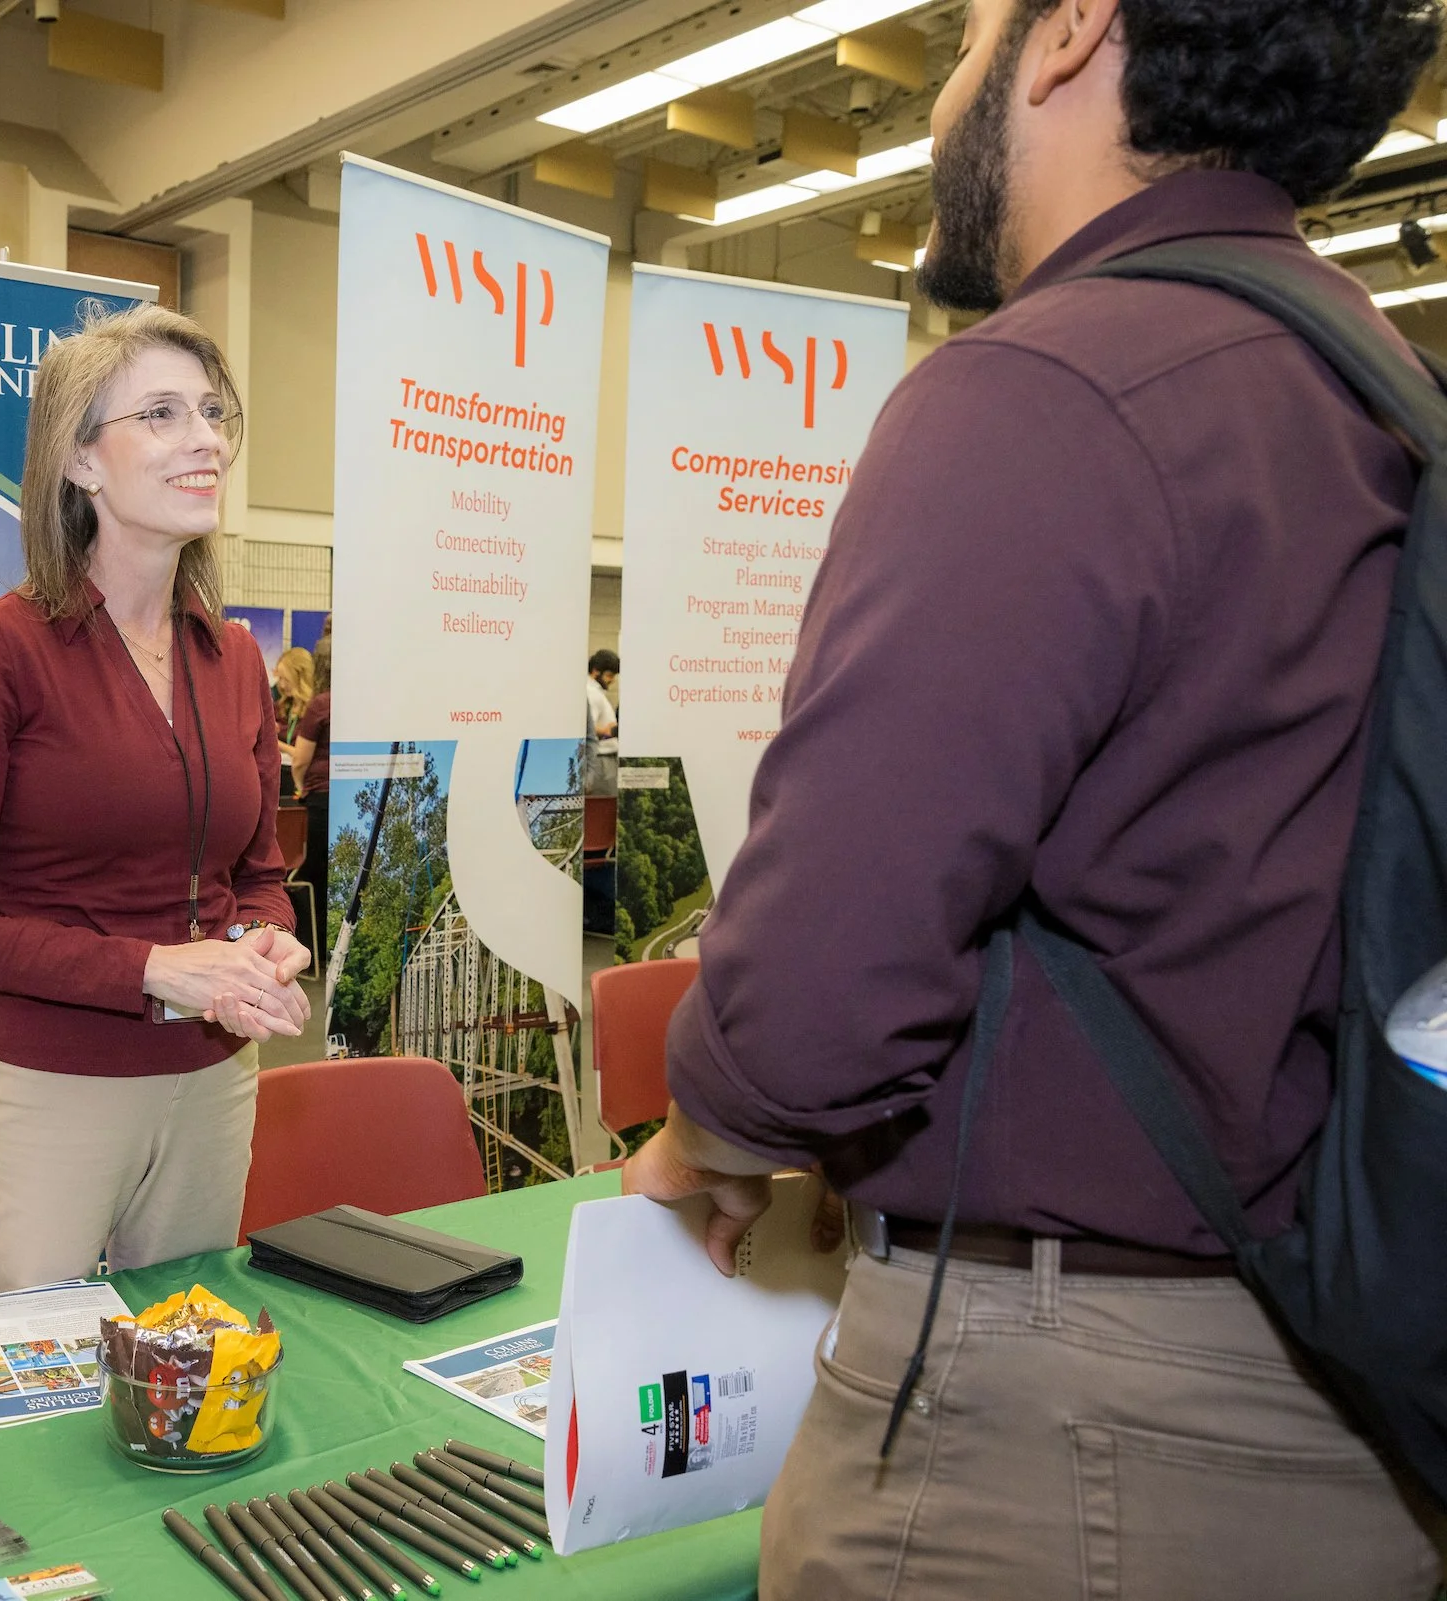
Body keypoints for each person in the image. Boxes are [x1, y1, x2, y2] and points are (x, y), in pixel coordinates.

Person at [621, 2, 1444, 1597]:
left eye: (966, 32)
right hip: (1340, 1406)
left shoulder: (1052, 386)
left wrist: (703, 1130)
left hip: (1061, 1433)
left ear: (1070, 32)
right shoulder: (1381, 394)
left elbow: (815, 996)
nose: (945, 92)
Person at [0, 303, 311, 1296]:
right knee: (22, 1393)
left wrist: (265, 938)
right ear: (81, 460)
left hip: (215, 1086)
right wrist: (155, 967)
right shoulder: (5, 646)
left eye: (211, 411)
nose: (204, 437)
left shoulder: (235, 657)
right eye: (161, 414)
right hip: (56, 1092)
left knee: (186, 1380)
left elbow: (257, 871)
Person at [288, 638, 331, 961]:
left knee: (313, 874)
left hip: (321, 798)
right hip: (353, 798)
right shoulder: (365, 699)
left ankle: (311, 949)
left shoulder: (321, 704)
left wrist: (301, 787)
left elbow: (301, 759)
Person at [271, 645, 313, 798]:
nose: (281, 685)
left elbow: (303, 755)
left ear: (299, 678)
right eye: (279, 679)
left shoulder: (314, 711)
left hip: (301, 782)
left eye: (285, 679)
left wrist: (278, 744)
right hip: (279, 778)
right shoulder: (282, 706)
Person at [584, 648, 618, 796]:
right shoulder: (591, 692)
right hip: (601, 759)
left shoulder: (595, 691)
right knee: (603, 806)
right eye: (609, 675)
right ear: (595, 671)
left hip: (605, 757)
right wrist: (608, 731)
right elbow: (588, 728)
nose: (612, 680)